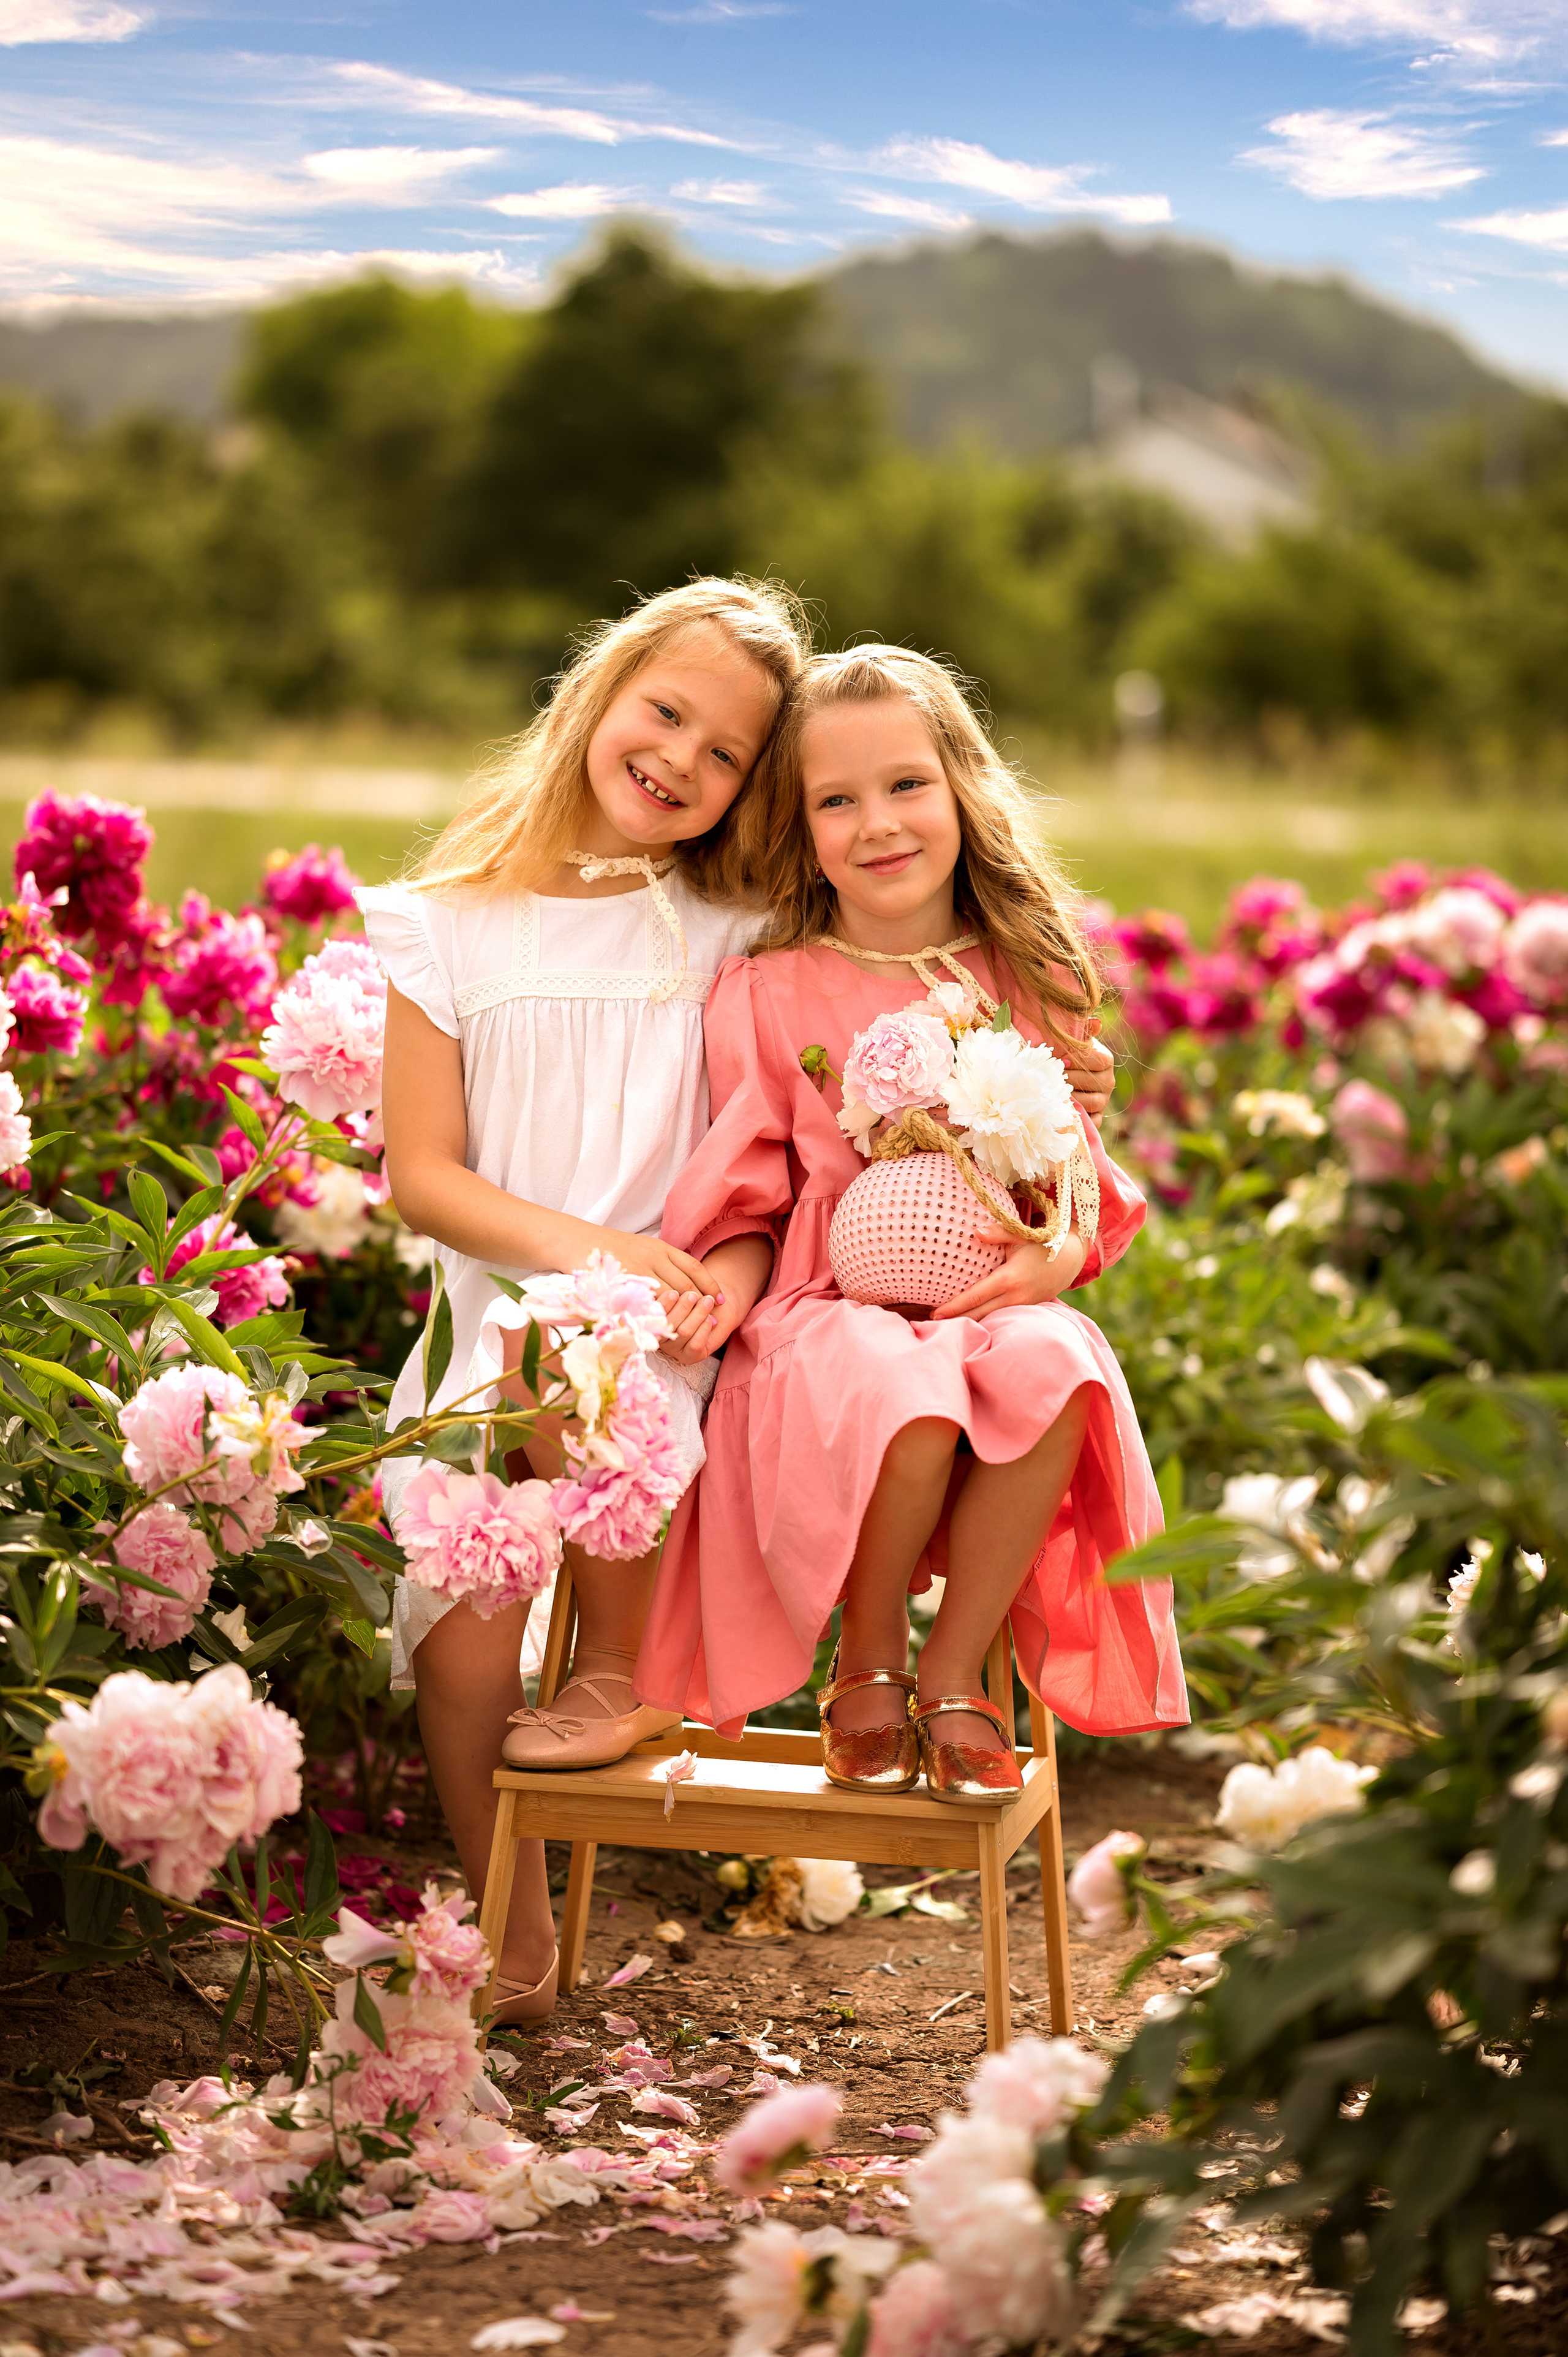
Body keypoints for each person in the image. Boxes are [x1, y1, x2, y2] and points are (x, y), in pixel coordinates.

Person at [640, 646, 1188, 1801]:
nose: (877, 824)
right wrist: (720, 1294)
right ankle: (871, 1653)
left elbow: (1069, 1183)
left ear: (961, 793)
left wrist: (1055, 1253)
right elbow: (748, 1191)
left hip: (987, 1295)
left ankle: (956, 1672)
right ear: (800, 826)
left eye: (905, 787)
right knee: (905, 1387)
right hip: (825, 1310)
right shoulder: (772, 989)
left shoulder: (1025, 978)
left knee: (1058, 1362)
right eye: (836, 801)